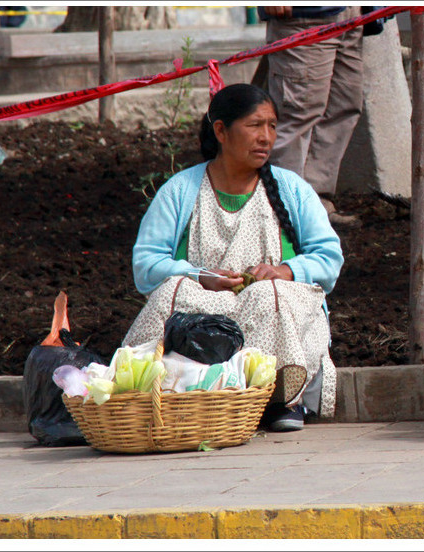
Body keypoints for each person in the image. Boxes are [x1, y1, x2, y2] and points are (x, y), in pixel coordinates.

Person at [123, 83, 344, 432]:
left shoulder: (292, 190)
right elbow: (147, 265)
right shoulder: (180, 191)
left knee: (265, 295)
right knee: (173, 290)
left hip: (273, 311)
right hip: (207, 319)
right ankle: (145, 392)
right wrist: (198, 277)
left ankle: (279, 398)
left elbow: (329, 258)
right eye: (255, 125)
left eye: (272, 126)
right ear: (221, 131)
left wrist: (286, 271)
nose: (266, 137)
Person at [259, 5, 364, 226]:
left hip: (350, 12)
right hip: (304, 15)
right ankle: (283, 216)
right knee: (297, 113)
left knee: (343, 105)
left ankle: (314, 205)